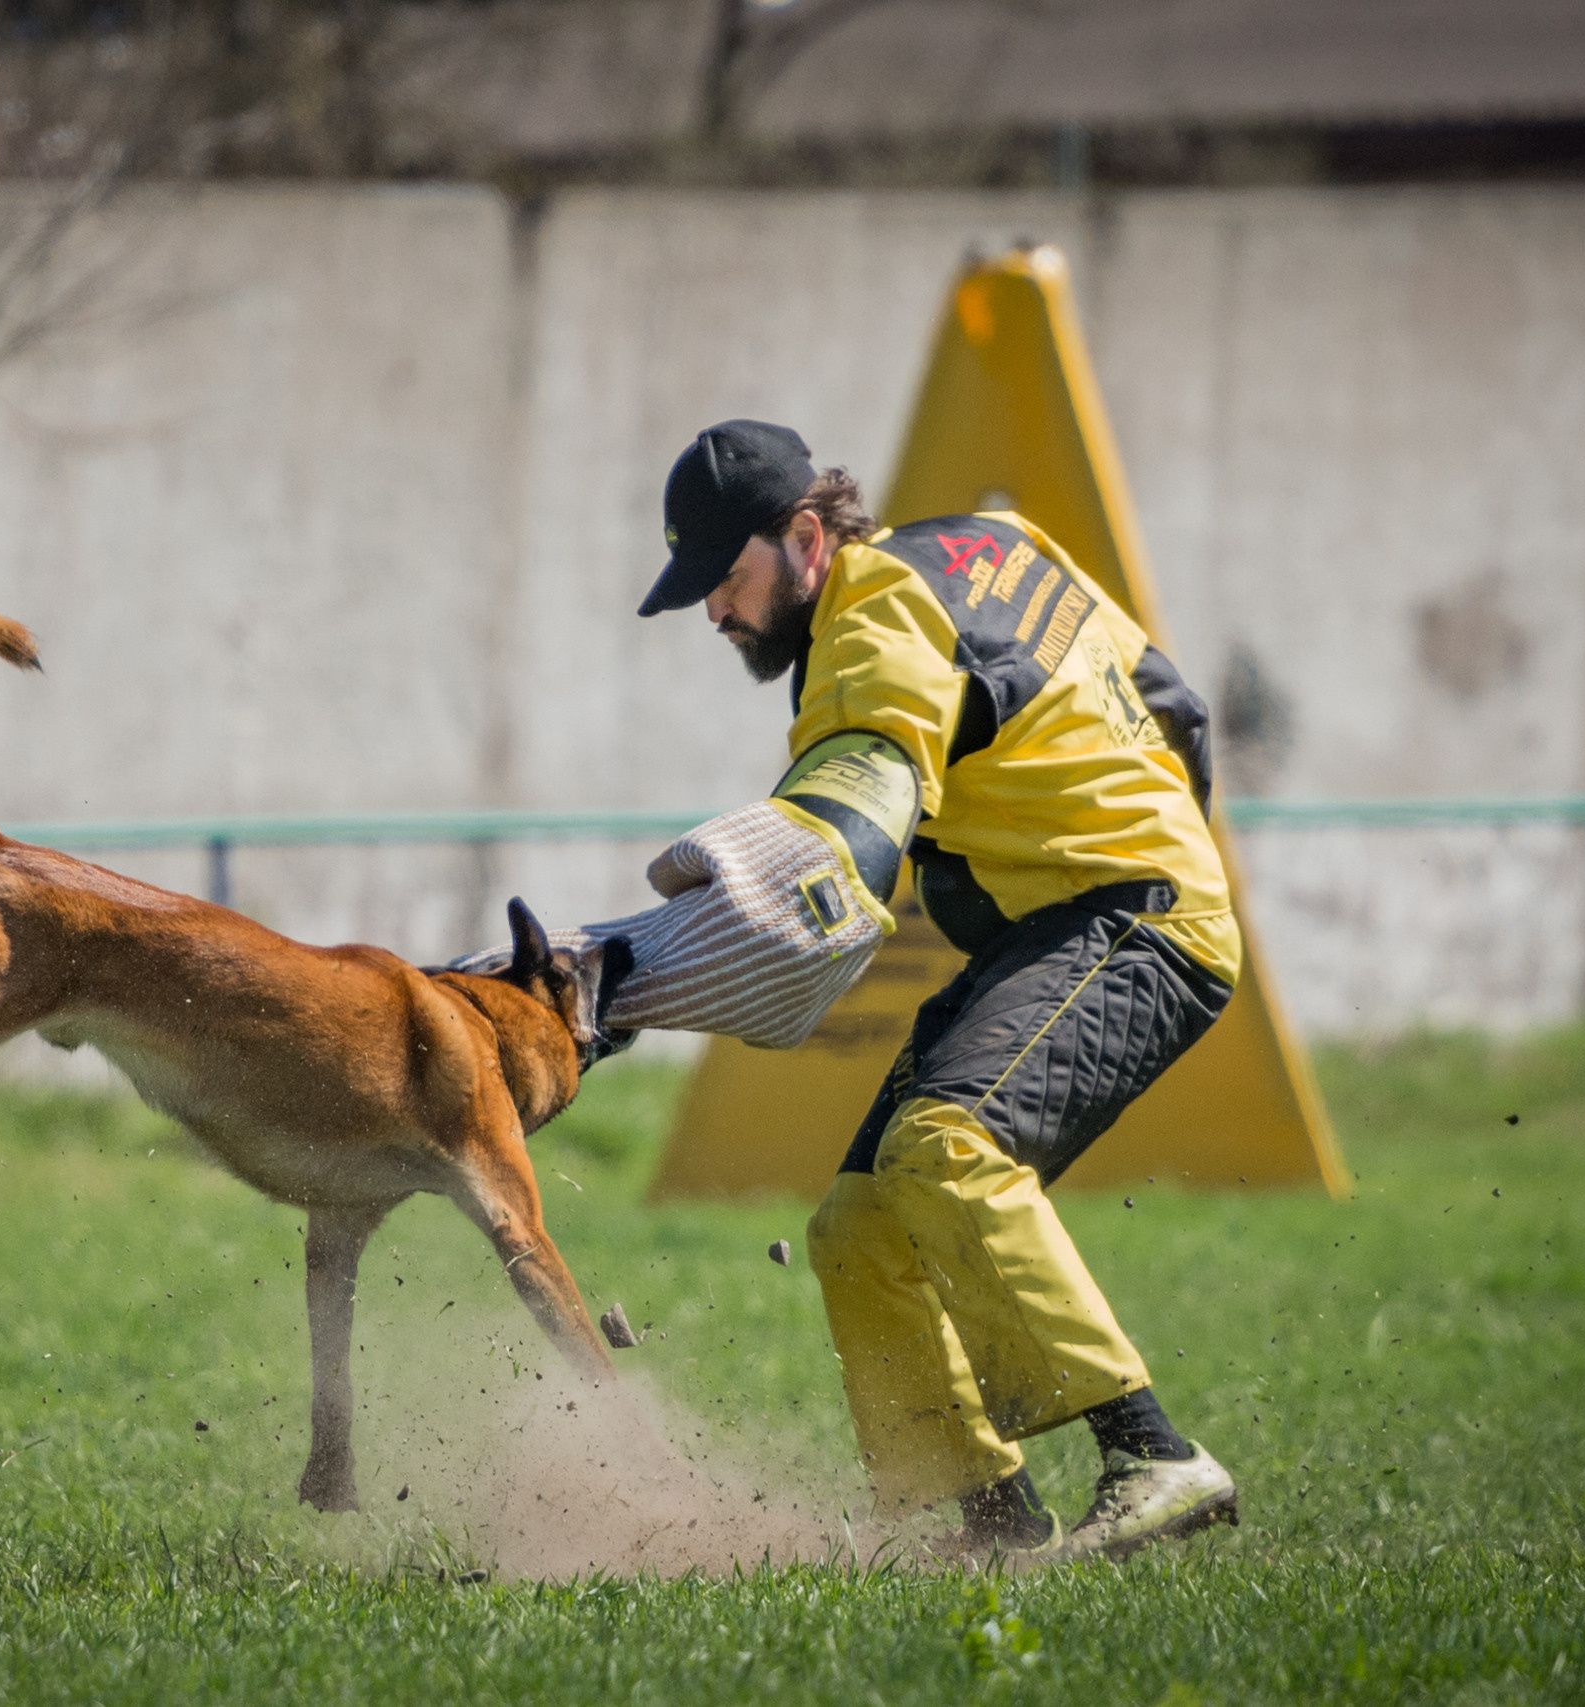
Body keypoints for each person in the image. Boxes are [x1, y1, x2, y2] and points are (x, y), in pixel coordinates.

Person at [533, 418, 1243, 1566]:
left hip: (1131, 915)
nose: (715, 611)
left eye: (727, 577)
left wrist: (630, 976)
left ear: (808, 536)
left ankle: (1152, 1455)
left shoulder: (864, 633)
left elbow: (832, 854)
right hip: (1106, 905)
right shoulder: (981, 542)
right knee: (857, 1223)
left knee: (945, 1148)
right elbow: (1177, 701)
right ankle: (980, 1521)